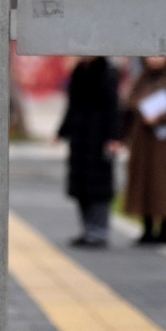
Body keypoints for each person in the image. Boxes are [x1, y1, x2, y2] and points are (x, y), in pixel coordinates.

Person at [124, 56, 166, 245]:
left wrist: (160, 118)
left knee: (164, 184)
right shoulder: (142, 80)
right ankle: (146, 227)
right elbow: (129, 106)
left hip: (165, 143)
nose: (154, 60)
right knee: (143, 182)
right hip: (143, 142)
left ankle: (165, 230)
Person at [57, 57, 123, 248]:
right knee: (81, 187)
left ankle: (99, 231)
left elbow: (113, 108)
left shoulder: (108, 72)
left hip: (100, 139)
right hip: (79, 138)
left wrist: (114, 137)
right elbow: (71, 106)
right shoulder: (78, 72)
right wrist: (62, 131)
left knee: (99, 187)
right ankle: (87, 229)